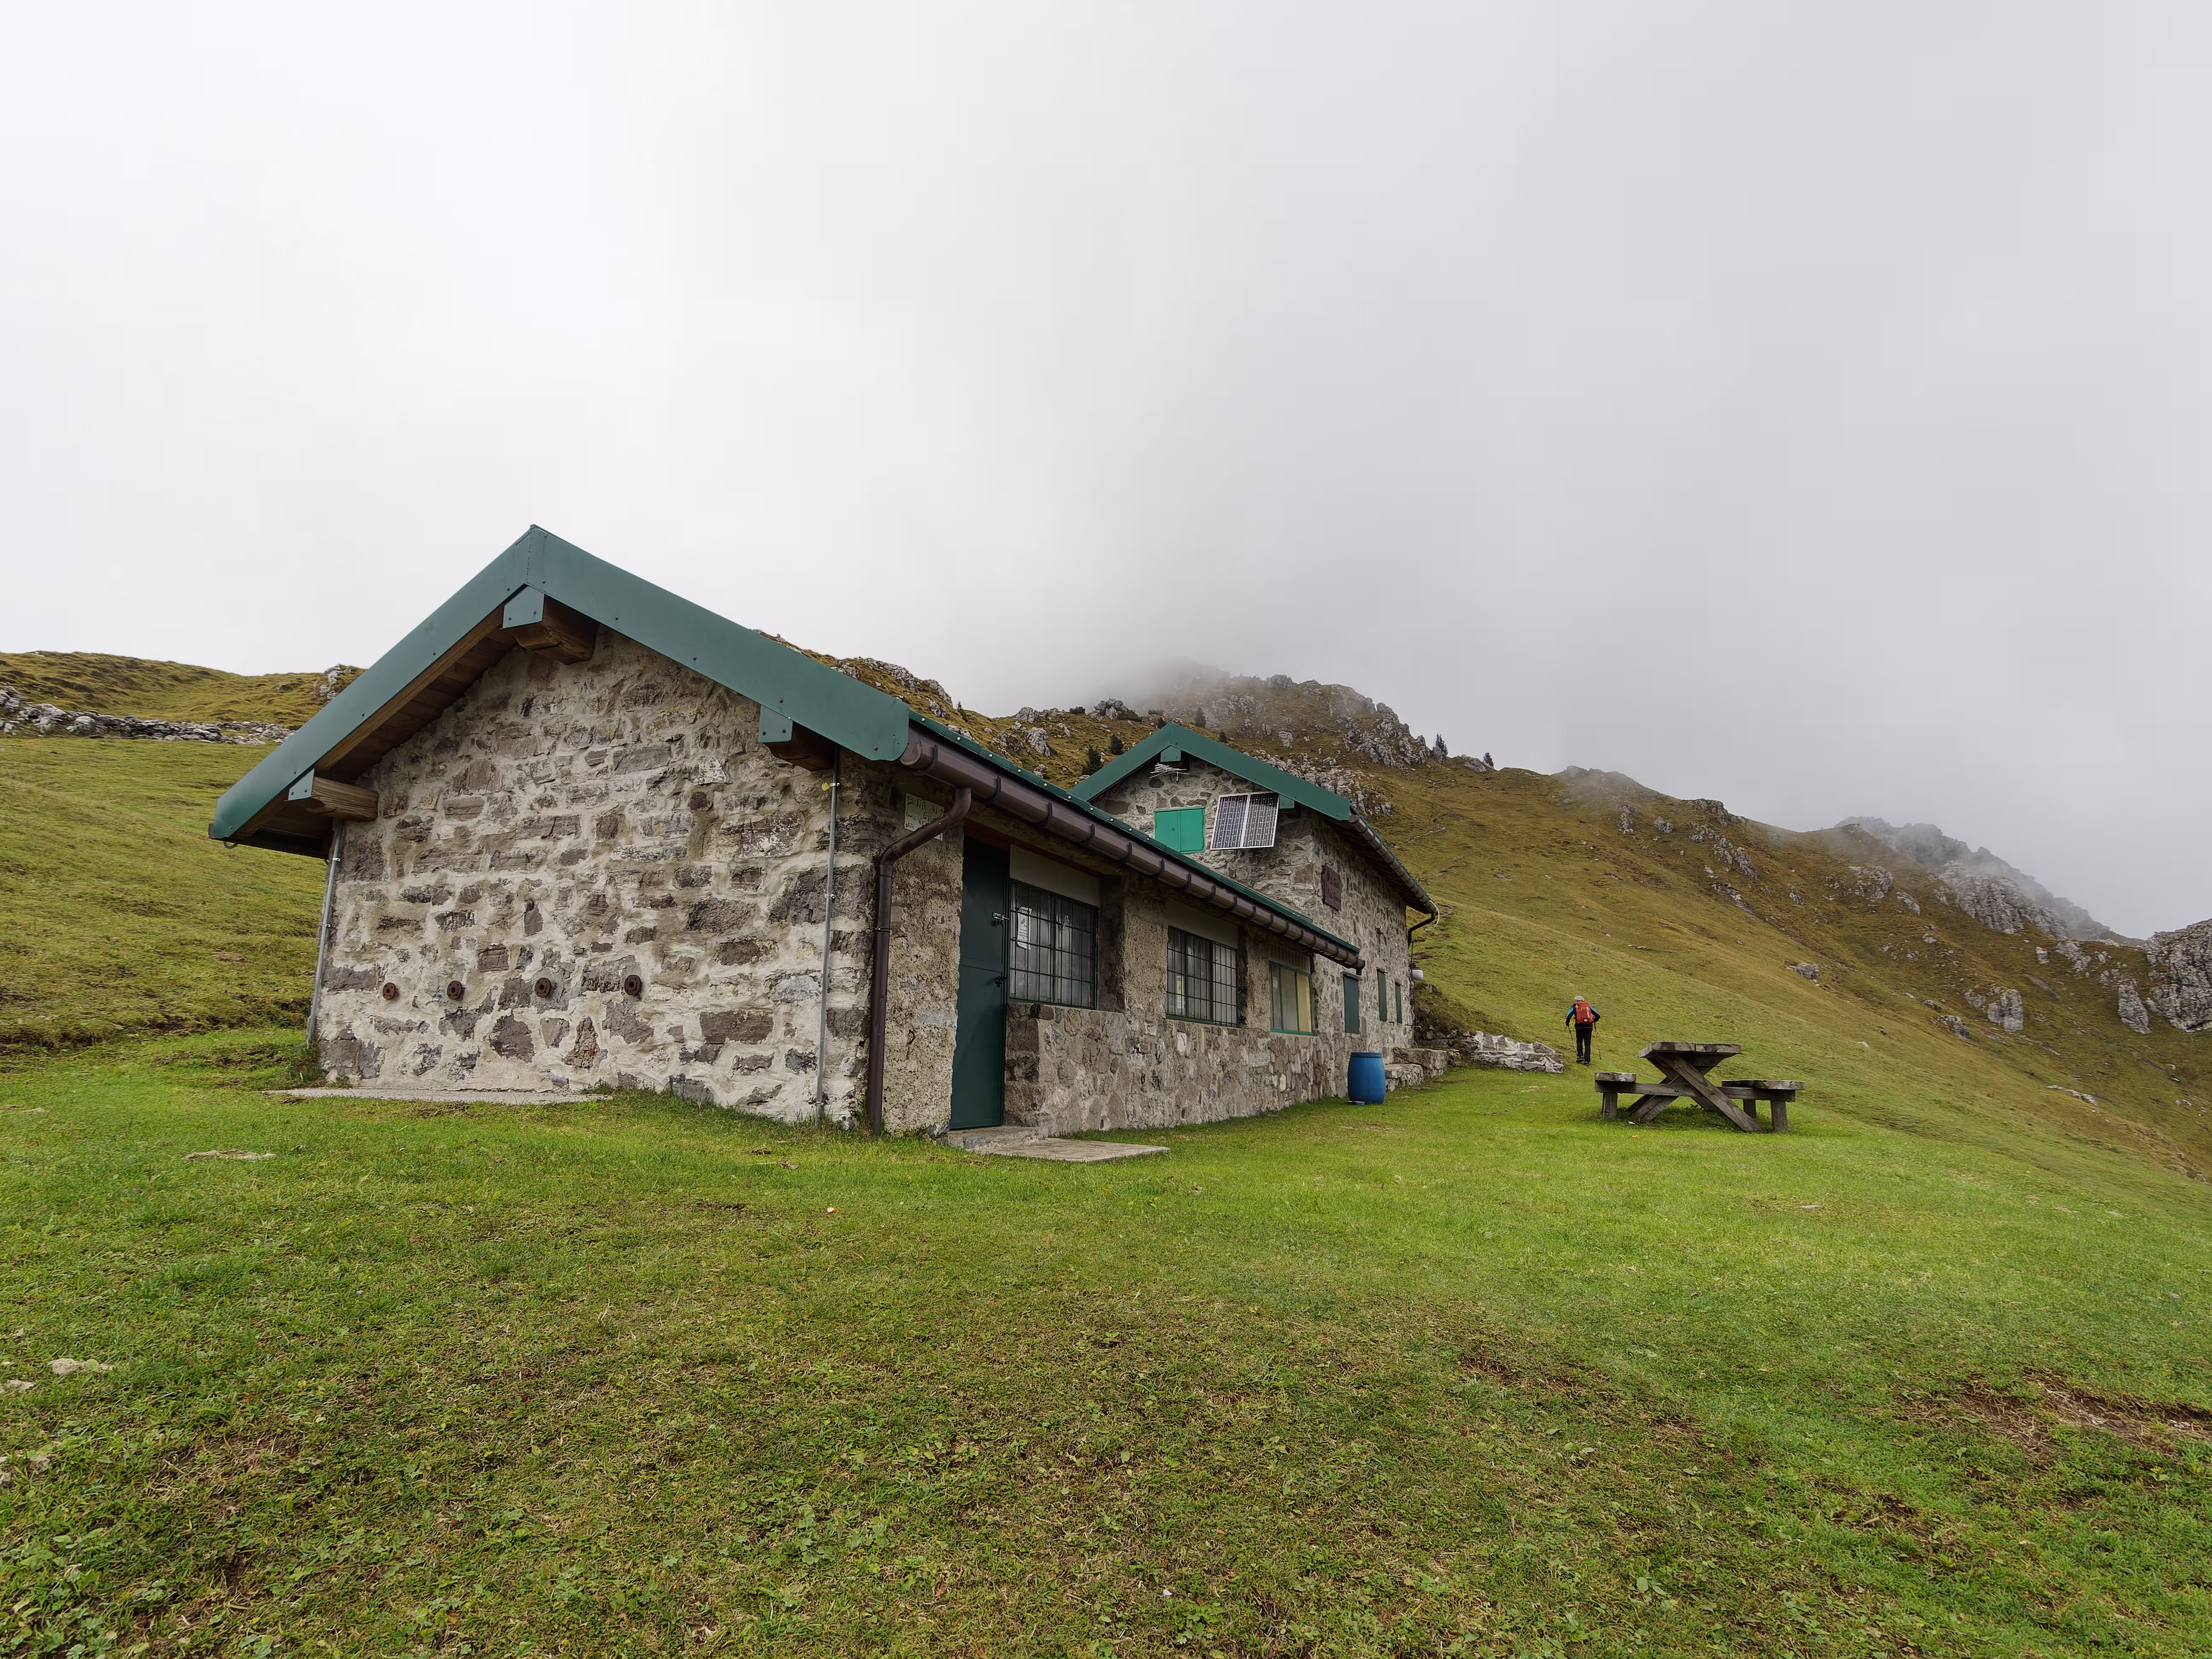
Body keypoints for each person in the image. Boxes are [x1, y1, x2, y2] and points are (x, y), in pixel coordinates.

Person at [1565, 995, 1600, 1064]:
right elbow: (1598, 1015)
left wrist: (1567, 1023)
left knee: (1579, 1041)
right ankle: (1587, 1061)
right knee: (1588, 1044)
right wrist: (1594, 1020)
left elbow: (1569, 1016)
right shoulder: (1588, 1006)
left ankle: (1580, 1056)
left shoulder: (1575, 1006)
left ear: (1576, 1001)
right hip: (1589, 1027)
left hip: (1579, 1026)